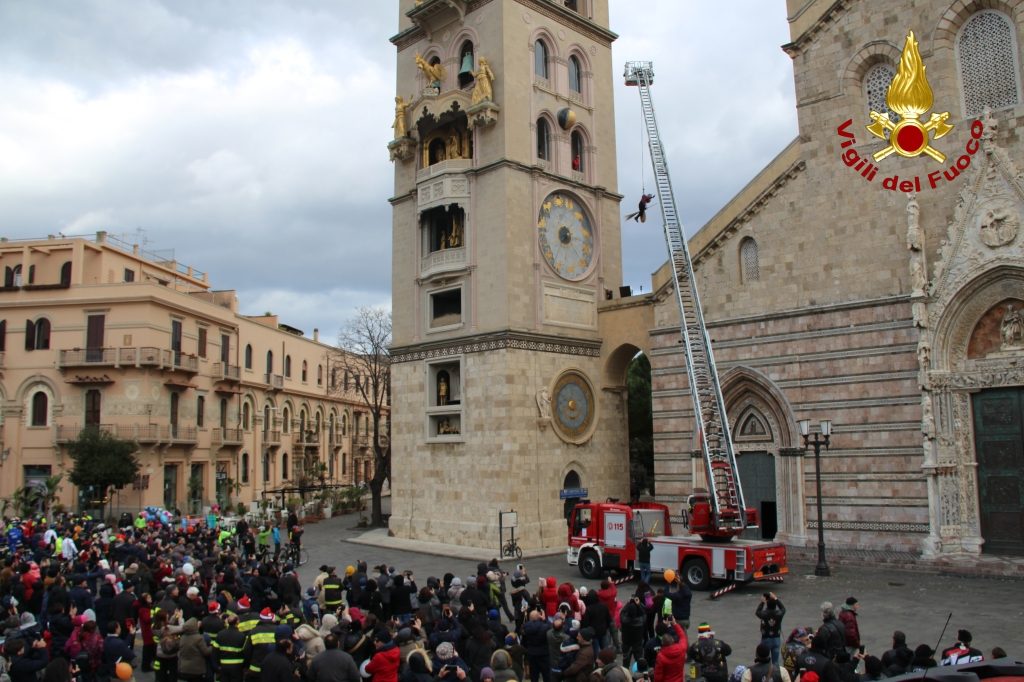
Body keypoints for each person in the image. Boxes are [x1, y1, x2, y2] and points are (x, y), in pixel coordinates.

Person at [756, 593, 786, 666]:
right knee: (775, 662)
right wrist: (776, 599)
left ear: (767, 605)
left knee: (763, 660)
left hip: (766, 638)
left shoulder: (764, 614)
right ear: (775, 606)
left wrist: (762, 602)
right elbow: (783, 609)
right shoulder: (779, 614)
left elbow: (757, 612)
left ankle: (765, 674)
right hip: (776, 638)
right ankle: (775, 674)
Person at [655, 617, 688, 682]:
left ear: (662, 644)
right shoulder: (682, 648)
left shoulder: (660, 657)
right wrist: (674, 623)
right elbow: (682, 636)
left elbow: (658, 677)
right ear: (672, 640)